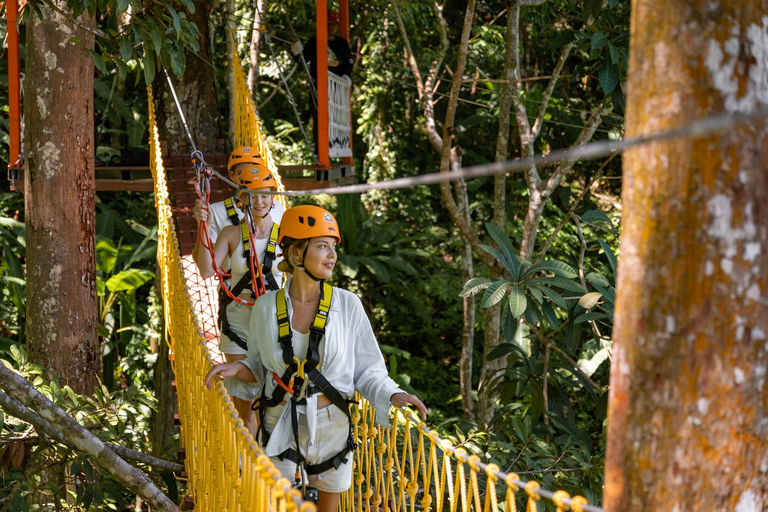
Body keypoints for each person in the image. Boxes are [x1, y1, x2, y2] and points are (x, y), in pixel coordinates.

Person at [205, 205, 426, 512]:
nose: (332, 255)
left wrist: (392, 393)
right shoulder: (266, 306)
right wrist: (236, 368)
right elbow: (259, 365)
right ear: (295, 255)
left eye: (333, 247)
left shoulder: (347, 305)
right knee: (272, 505)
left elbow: (367, 369)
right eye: (322, 246)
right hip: (279, 420)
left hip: (331, 426)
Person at [196, 163, 284, 437]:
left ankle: (273, 464)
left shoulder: (286, 235)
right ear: (242, 198)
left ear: (273, 198)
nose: (259, 201)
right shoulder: (231, 234)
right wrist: (204, 226)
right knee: (244, 407)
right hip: (239, 321)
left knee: (276, 397)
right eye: (252, 195)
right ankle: (249, 472)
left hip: (273, 319)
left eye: (264, 195)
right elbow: (207, 268)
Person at [192, 146, 284, 271]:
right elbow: (204, 266)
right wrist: (202, 226)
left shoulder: (278, 208)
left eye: (253, 171)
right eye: (242, 173)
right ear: (232, 175)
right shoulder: (215, 212)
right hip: (233, 285)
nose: (249, 178)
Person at [291, 10, 354, 153]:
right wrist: (295, 52)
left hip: (337, 87)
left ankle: (336, 146)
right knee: (319, 117)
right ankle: (321, 151)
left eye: (333, 24)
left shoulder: (342, 43)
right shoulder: (315, 41)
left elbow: (349, 63)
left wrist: (347, 76)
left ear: (337, 26)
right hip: (318, 86)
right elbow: (302, 60)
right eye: (328, 24)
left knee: (337, 118)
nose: (330, 27)